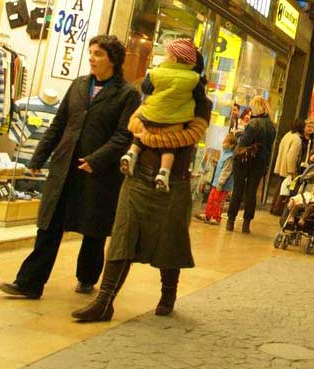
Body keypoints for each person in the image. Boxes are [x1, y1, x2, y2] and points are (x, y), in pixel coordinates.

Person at [70, 49, 213, 321]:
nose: (164, 61)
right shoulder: (153, 89)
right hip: (137, 177)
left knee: (171, 242)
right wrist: (141, 130)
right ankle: (104, 301)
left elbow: (193, 133)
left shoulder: (199, 102)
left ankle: (168, 292)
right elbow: (135, 121)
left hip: (173, 181)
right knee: (122, 236)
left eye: (169, 57)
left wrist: (155, 136)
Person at [0, 36, 141, 299]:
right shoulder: (78, 85)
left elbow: (123, 135)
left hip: (98, 173)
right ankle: (29, 282)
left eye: (98, 54)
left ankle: (87, 277)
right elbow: (59, 124)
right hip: (64, 166)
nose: (91, 58)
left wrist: (96, 160)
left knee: (93, 229)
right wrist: (38, 158)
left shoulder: (128, 94)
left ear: (113, 59)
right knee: (49, 225)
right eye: (91, 53)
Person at [120, 38, 205, 192]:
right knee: (168, 148)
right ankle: (164, 173)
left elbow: (146, 89)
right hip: (174, 123)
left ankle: (131, 154)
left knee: (138, 138)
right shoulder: (194, 80)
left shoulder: (156, 72)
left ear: (172, 58)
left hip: (150, 117)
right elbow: (200, 99)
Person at [225, 96, 277, 233]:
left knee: (238, 189)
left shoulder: (253, 123)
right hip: (260, 162)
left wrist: (237, 135)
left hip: (244, 160)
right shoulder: (272, 126)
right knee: (251, 192)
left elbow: (243, 142)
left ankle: (231, 220)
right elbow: (270, 148)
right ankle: (246, 224)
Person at [194, 133, 235, 225]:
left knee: (218, 201)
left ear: (231, 145)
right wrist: (216, 162)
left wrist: (220, 183)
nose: (223, 144)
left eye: (226, 142)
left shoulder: (230, 157)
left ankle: (216, 218)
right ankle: (208, 215)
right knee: (211, 199)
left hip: (222, 185)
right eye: (224, 142)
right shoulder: (224, 154)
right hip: (216, 183)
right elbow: (222, 167)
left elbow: (226, 171)